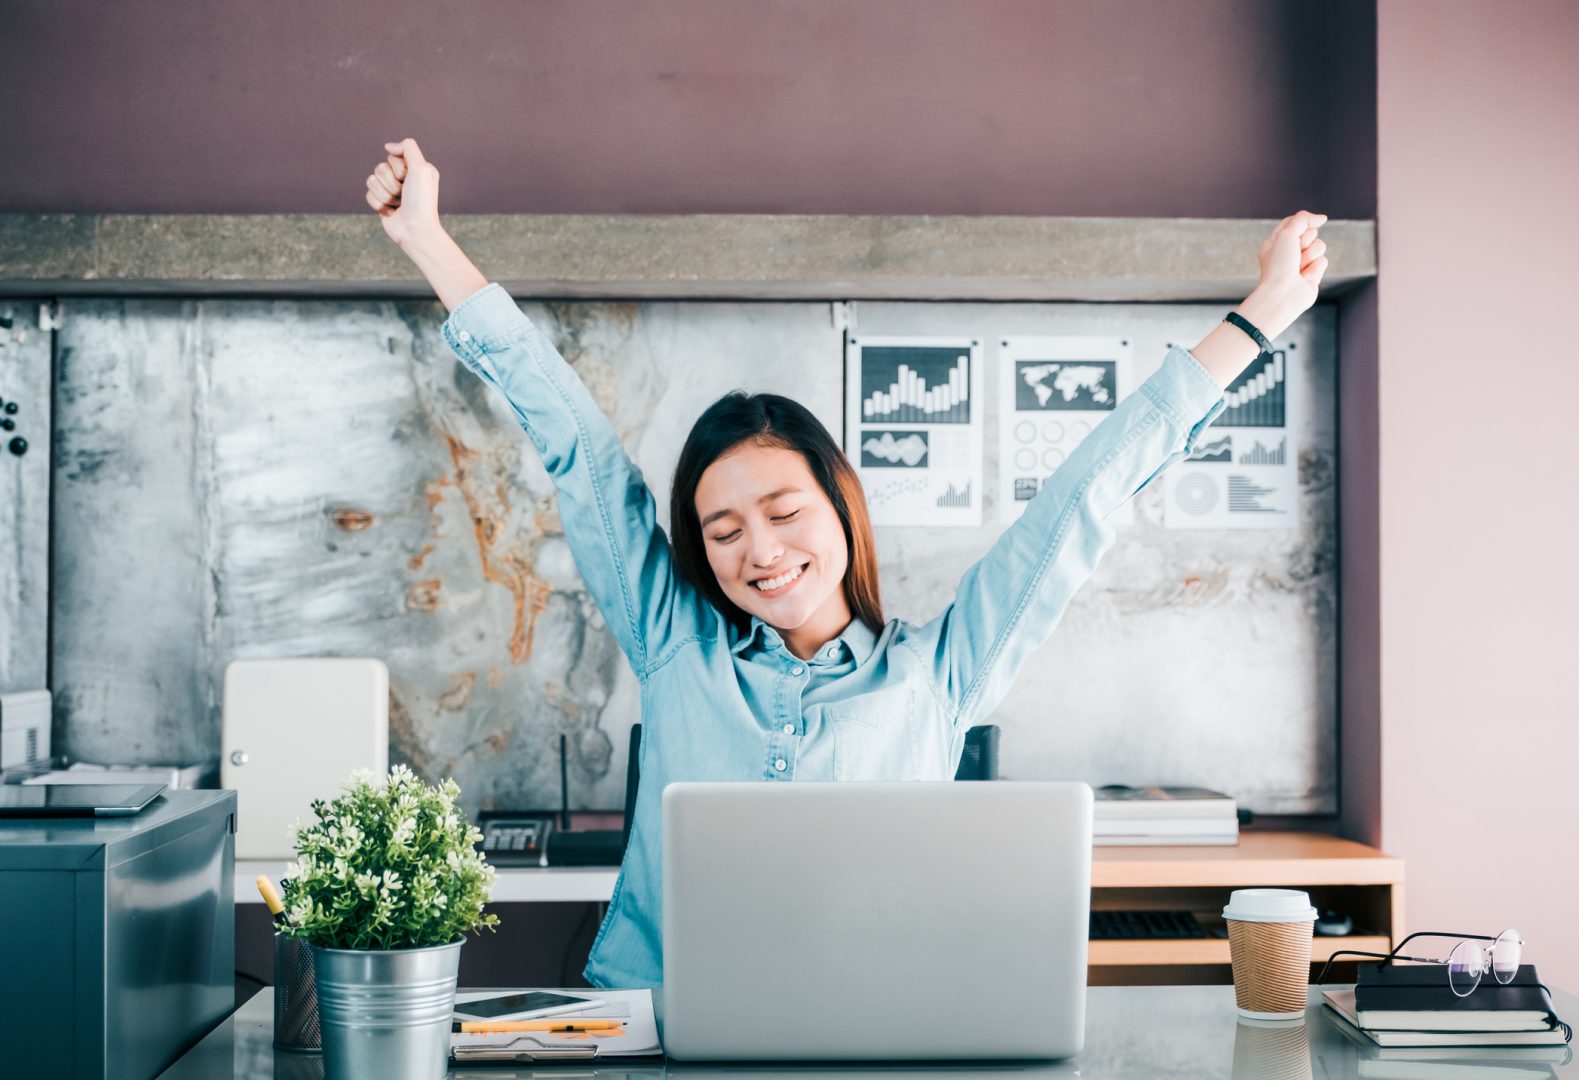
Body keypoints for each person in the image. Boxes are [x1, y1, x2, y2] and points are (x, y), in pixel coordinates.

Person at [364, 138, 1329, 988]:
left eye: (784, 512)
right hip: (654, 1026)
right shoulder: (671, 642)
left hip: (874, 1028)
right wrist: (427, 241)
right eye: (724, 528)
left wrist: (1257, 318)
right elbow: (573, 439)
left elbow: (1086, 496)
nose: (761, 551)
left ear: (841, 508)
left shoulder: (939, 673)